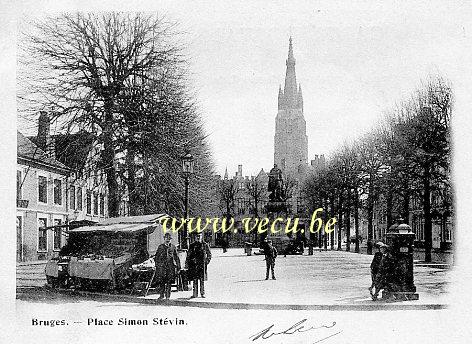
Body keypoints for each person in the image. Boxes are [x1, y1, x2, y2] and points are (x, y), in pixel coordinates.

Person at [154, 233, 181, 300]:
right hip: (162, 268)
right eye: (166, 238)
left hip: (170, 267)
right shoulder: (160, 247)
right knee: (162, 281)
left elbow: (176, 257)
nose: (168, 240)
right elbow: (156, 257)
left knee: (169, 282)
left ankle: (168, 296)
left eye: (169, 239)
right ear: (164, 238)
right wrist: (157, 265)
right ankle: (161, 295)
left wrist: (178, 267)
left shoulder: (173, 247)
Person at [186, 233, 212, 298]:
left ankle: (202, 293)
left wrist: (206, 262)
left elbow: (209, 255)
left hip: (202, 266)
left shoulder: (205, 245)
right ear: (195, 237)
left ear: (201, 237)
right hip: (194, 265)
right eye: (197, 236)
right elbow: (188, 255)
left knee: (202, 280)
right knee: (195, 280)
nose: (198, 237)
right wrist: (189, 262)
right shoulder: (192, 245)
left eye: (199, 236)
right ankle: (195, 294)